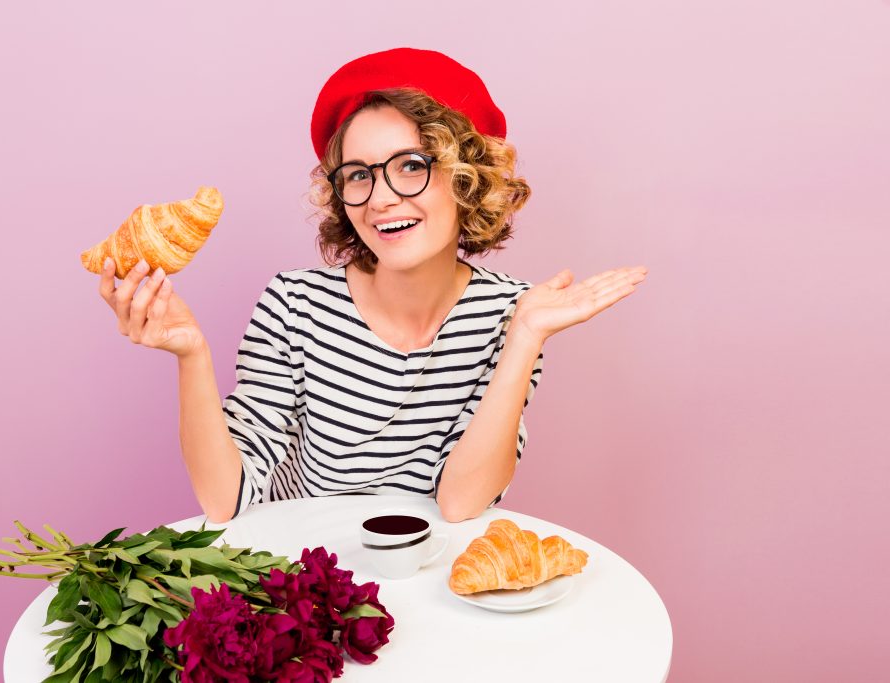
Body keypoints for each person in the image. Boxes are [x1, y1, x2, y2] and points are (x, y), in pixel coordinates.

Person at [96, 48, 648, 524]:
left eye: (410, 165)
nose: (381, 198)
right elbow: (226, 500)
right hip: (305, 581)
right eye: (358, 174)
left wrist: (525, 339)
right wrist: (191, 356)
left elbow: (460, 504)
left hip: (429, 588)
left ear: (467, 179)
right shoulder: (296, 304)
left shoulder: (514, 312)